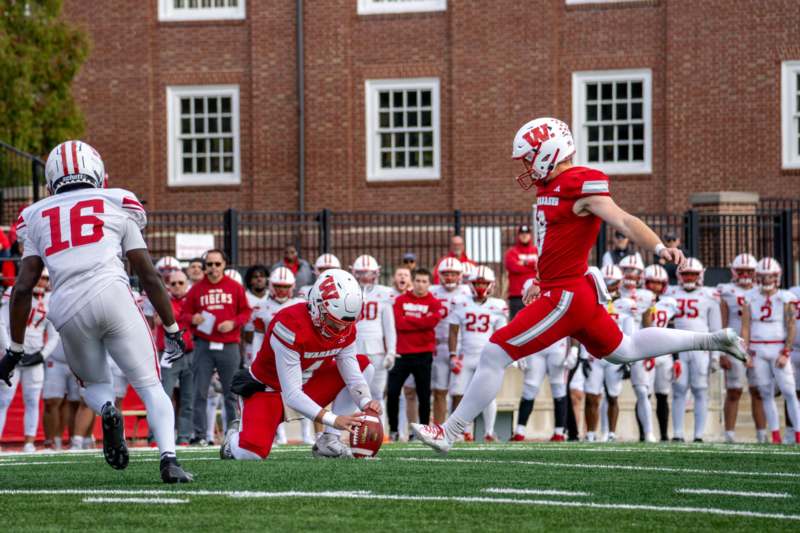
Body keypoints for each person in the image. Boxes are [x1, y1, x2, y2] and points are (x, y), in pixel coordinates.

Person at [411, 117, 747, 453]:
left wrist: (659, 247)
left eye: (530, 157)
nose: (528, 166)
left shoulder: (580, 184)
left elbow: (624, 220)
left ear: (548, 152)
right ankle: (714, 339)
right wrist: (540, 278)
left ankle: (450, 432)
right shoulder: (551, 187)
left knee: (494, 352)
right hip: (569, 291)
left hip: (566, 296)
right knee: (624, 351)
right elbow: (555, 241)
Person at [0, 140, 190, 482]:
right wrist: (174, 330)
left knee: (93, 385)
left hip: (68, 308)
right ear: (98, 172)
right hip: (113, 295)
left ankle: (106, 410)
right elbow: (148, 274)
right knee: (150, 385)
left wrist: (14, 349)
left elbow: (23, 288)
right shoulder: (117, 201)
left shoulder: (36, 215)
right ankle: (169, 459)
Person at [220, 269, 380, 460]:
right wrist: (333, 418)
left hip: (306, 385)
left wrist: (366, 403)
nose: (340, 329)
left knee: (364, 365)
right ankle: (232, 439)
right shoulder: (290, 324)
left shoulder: (344, 324)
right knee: (251, 454)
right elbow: (292, 395)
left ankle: (329, 441)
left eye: (345, 323)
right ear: (316, 305)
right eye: (333, 321)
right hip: (267, 391)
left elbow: (352, 373)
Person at [180, 249, 251, 446]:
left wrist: (234, 323)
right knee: (199, 392)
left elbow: (246, 312)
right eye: (209, 264)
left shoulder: (234, 287)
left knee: (230, 393)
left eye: (217, 264)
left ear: (224, 265)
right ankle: (200, 435)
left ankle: (232, 434)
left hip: (229, 345)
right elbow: (184, 315)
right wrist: (193, 318)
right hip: (203, 345)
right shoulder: (196, 289)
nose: (213, 268)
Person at [0, 268, 59, 452]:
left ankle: (29, 442)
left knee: (33, 400)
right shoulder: (13, 291)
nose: (42, 282)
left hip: (33, 357)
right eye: (40, 277)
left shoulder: (51, 300)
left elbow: (54, 335)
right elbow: (1, 322)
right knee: (3, 400)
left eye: (45, 279)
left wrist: (41, 356)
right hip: (13, 354)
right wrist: (9, 350)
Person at [245, 266, 304, 444]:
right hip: (271, 357)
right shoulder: (261, 307)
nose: (281, 290)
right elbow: (255, 336)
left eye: (285, 286)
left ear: (292, 287)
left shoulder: (300, 305)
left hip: (296, 356)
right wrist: (254, 359)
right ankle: (280, 435)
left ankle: (307, 435)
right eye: (278, 286)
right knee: (273, 396)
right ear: (271, 286)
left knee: (303, 394)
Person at [448, 266, 508, 441]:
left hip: (488, 358)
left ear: (492, 285)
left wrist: (506, 357)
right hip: (466, 355)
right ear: (470, 284)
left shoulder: (498, 305)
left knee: (488, 394)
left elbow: (502, 334)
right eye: (478, 283)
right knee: (458, 393)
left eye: (484, 283)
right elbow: (453, 331)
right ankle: (460, 431)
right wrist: (452, 354)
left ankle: (489, 432)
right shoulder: (460, 302)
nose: (481, 287)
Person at [743, 257, 799, 444]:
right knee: (766, 393)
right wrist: (746, 353)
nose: (766, 280)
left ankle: (798, 434)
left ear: (777, 277)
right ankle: (775, 436)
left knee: (789, 392)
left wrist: (786, 351)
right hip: (758, 349)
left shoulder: (785, 297)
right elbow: (745, 327)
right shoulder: (750, 297)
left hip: (777, 347)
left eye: (770, 276)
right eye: (763, 276)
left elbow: (791, 325)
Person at [666, 258, 721, 442]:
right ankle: (678, 433)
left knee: (700, 389)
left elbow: (715, 328)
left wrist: (716, 356)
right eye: (685, 274)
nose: (689, 277)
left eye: (693, 274)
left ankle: (698, 435)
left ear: (700, 275)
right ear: (679, 276)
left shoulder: (709, 295)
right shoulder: (671, 293)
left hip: (701, 348)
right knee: (679, 389)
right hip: (678, 347)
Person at [387, 268, 442, 441]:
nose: (420, 284)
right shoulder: (400, 300)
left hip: (423, 354)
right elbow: (399, 323)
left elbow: (432, 322)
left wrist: (409, 320)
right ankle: (394, 431)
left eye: (424, 281)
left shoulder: (435, 302)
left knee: (424, 395)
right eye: (418, 280)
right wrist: (421, 321)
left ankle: (423, 431)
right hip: (401, 354)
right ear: (413, 282)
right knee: (393, 392)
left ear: (429, 284)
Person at [583, 265, 634, 442]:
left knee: (613, 396)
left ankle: (611, 434)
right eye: (606, 282)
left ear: (619, 283)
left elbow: (630, 333)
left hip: (615, 354)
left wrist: (629, 360)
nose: (609, 286)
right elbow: (583, 328)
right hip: (594, 355)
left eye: (612, 282)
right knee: (591, 396)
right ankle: (590, 434)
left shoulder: (626, 304)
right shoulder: (590, 300)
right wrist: (582, 356)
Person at [717, 253, 763, 443]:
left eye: (749, 271)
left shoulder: (763, 290)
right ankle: (729, 435)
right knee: (734, 390)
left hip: (758, 345)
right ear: (734, 272)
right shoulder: (726, 291)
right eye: (741, 270)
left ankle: (762, 435)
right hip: (734, 344)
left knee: (759, 390)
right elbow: (723, 321)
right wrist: (722, 351)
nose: (745, 274)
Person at [352, 255, 397, 418]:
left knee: (377, 393)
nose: (365, 277)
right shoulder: (349, 291)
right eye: (361, 273)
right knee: (356, 393)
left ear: (376, 273)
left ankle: (380, 433)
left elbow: (389, 327)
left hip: (377, 350)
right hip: (354, 349)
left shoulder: (385, 293)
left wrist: (391, 351)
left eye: (368, 273)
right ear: (353, 272)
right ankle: (357, 431)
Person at [617, 254, 656, 442]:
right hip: (615, 343)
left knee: (642, 390)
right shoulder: (611, 292)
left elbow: (648, 324)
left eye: (635, 271)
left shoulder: (647, 296)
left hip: (638, 345)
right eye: (627, 271)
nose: (631, 275)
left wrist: (650, 350)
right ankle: (604, 432)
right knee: (608, 391)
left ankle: (649, 433)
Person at [155, 270, 195, 446]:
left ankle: (184, 436)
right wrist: (188, 317)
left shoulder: (193, 300)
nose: (177, 286)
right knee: (163, 396)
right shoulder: (162, 299)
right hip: (170, 352)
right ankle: (156, 436)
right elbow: (158, 320)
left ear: (187, 283)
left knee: (188, 398)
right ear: (168, 285)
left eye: (181, 283)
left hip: (191, 352)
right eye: (174, 283)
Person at [430, 258, 471, 424]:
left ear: (460, 275)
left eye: (453, 274)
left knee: (459, 391)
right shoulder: (432, 291)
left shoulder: (468, 292)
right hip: (439, 345)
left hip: (461, 345)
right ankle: (439, 428)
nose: (449, 277)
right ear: (440, 275)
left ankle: (455, 429)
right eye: (446, 274)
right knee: (439, 390)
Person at [644, 264, 680, 442]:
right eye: (652, 283)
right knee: (645, 395)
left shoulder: (669, 303)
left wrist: (676, 358)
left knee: (662, 395)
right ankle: (645, 434)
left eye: (659, 283)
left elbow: (672, 330)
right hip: (645, 352)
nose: (655, 287)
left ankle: (664, 435)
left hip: (664, 354)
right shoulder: (640, 299)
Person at [504, 225, 539, 319]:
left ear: (530, 235)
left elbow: (542, 266)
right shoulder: (512, 252)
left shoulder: (537, 250)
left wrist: (524, 263)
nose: (524, 235)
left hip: (535, 295)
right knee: (516, 328)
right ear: (518, 235)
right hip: (517, 296)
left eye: (527, 233)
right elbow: (514, 268)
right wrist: (533, 267)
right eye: (522, 233)